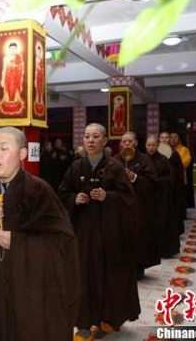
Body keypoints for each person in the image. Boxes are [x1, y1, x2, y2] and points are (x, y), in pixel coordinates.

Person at [0, 126, 80, 341]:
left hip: (29, 290)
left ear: (22, 154)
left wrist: (19, 243)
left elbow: (62, 242)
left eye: (4, 148)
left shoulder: (39, 191)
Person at [59, 123, 140, 340]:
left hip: (110, 233)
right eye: (87, 136)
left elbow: (129, 199)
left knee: (111, 275)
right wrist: (74, 199)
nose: (91, 140)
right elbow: (63, 193)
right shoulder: (76, 167)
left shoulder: (115, 167)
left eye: (96, 136)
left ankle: (109, 318)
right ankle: (83, 323)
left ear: (105, 141)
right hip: (84, 233)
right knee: (83, 276)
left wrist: (108, 197)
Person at [115, 131, 159, 280]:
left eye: (129, 141)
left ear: (136, 143)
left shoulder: (145, 160)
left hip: (139, 206)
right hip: (120, 207)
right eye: (123, 141)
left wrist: (134, 178)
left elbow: (152, 182)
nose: (126, 144)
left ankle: (138, 270)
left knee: (138, 238)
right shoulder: (115, 160)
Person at [145, 135, 180, 258]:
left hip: (161, 197)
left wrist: (158, 181)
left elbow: (171, 177)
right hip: (147, 197)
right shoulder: (143, 160)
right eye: (148, 145)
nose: (150, 148)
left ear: (158, 146)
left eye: (153, 145)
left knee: (161, 222)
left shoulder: (163, 160)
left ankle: (163, 250)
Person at [160, 132, 186, 234]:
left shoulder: (174, 153)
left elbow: (179, 171)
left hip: (173, 186)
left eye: (166, 137)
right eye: (162, 137)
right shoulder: (155, 153)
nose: (164, 139)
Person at [0, 42, 25, 113]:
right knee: (9, 90)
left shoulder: (19, 58)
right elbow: (4, 69)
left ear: (16, 49)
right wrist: (2, 80)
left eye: (14, 48)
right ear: (9, 49)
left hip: (17, 77)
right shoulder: (6, 58)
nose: (13, 50)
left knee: (16, 91)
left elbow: (22, 71)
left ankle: (15, 103)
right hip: (9, 76)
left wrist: (21, 81)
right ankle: (9, 103)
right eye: (11, 49)